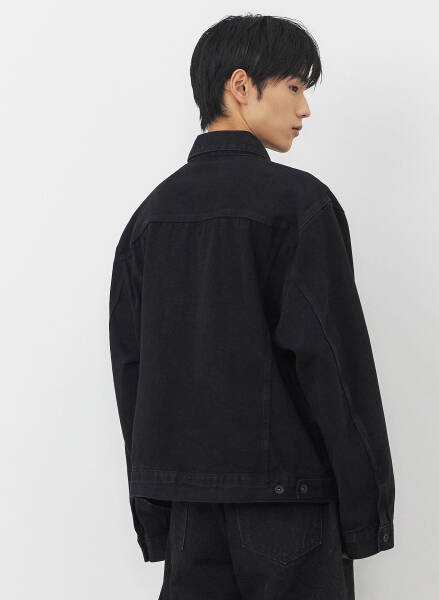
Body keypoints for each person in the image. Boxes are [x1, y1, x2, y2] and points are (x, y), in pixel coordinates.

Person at [108, 13, 395, 600]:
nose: (304, 109)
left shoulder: (149, 218)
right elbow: (337, 369)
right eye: (294, 86)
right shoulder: (299, 205)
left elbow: (132, 372)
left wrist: (156, 512)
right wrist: (363, 517)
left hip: (190, 511)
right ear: (240, 86)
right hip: (290, 508)